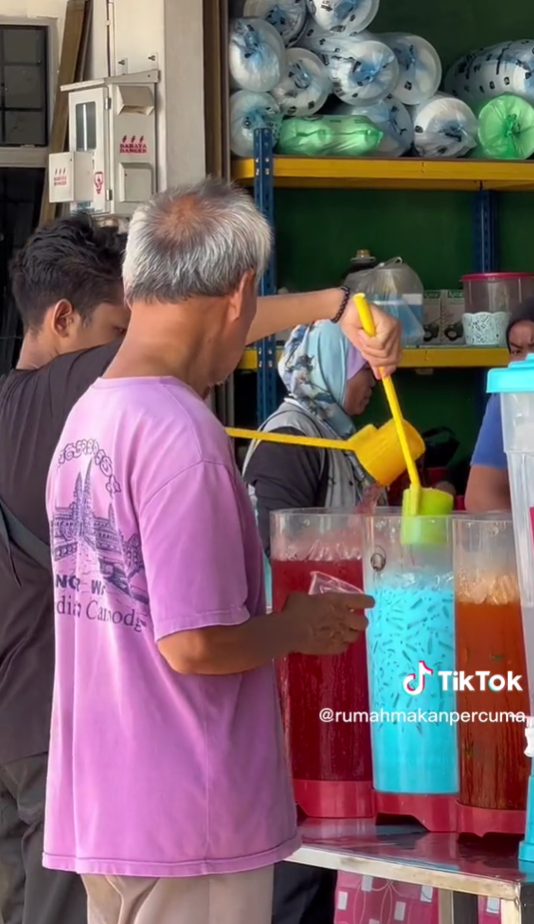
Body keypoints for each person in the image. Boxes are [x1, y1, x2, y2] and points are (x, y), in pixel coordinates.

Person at [0, 204, 400, 924]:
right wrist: (297, 626)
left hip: (104, 809)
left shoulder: (88, 423)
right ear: (241, 293)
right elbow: (193, 642)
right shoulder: (182, 439)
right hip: (190, 820)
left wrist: (338, 306)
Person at [242, 320, 376, 924]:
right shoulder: (291, 440)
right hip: (298, 654)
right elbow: (278, 545)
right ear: (325, 368)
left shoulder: (335, 437)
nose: (371, 381)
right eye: (360, 368)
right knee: (300, 835)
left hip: (332, 647)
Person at [465, 298, 534, 512]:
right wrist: (526, 531)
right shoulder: (507, 400)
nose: (526, 361)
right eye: (516, 351)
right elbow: (481, 497)